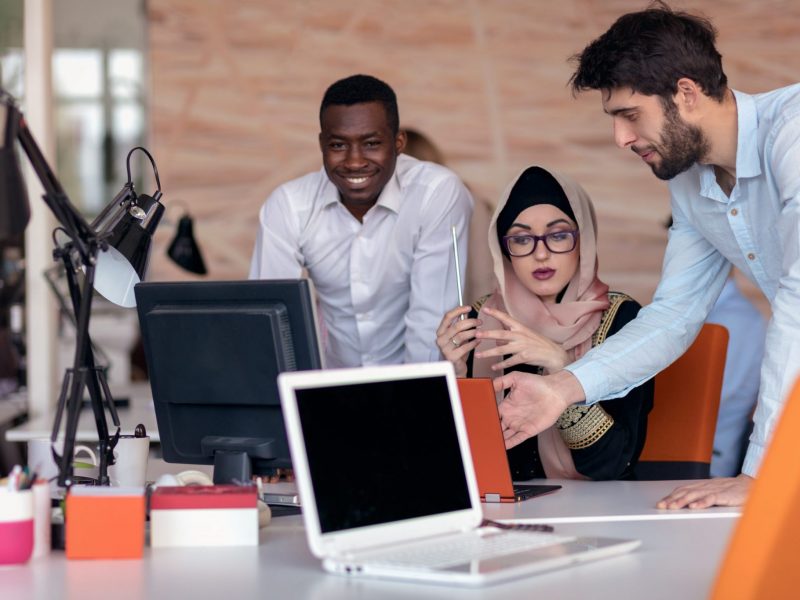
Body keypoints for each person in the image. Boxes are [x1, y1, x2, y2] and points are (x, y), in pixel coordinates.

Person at [494, 2, 800, 508]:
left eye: (630, 115)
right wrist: (562, 389)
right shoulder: (689, 179)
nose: (621, 138)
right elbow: (675, 315)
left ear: (686, 93)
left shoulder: (791, 135)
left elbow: (796, 301)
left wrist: (761, 469)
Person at [437, 165, 653, 480]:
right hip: (504, 512)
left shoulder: (622, 319)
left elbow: (613, 464)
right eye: (522, 239)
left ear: (584, 239)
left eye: (559, 235)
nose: (541, 253)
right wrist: (452, 375)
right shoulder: (478, 324)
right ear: (504, 250)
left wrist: (562, 369)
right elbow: (455, 463)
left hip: (601, 512)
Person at [249, 75, 473, 368]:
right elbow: (272, 323)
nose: (354, 161)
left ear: (398, 142)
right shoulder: (289, 205)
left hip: (416, 389)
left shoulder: (435, 194)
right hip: (330, 390)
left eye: (371, 143)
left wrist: (417, 405)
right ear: (321, 144)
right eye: (338, 145)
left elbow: (430, 322)